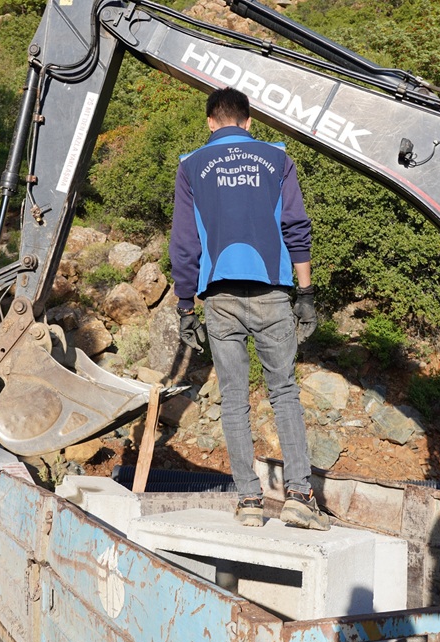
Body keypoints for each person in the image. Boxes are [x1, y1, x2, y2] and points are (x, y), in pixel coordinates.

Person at [169, 87, 329, 531]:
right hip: (272, 292)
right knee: (283, 393)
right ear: (249, 122)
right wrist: (307, 293)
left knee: (234, 399)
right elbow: (296, 226)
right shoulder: (276, 158)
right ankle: (299, 497)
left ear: (210, 124)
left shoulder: (191, 166)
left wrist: (186, 306)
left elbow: (184, 245)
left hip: (218, 297)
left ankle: (249, 503)